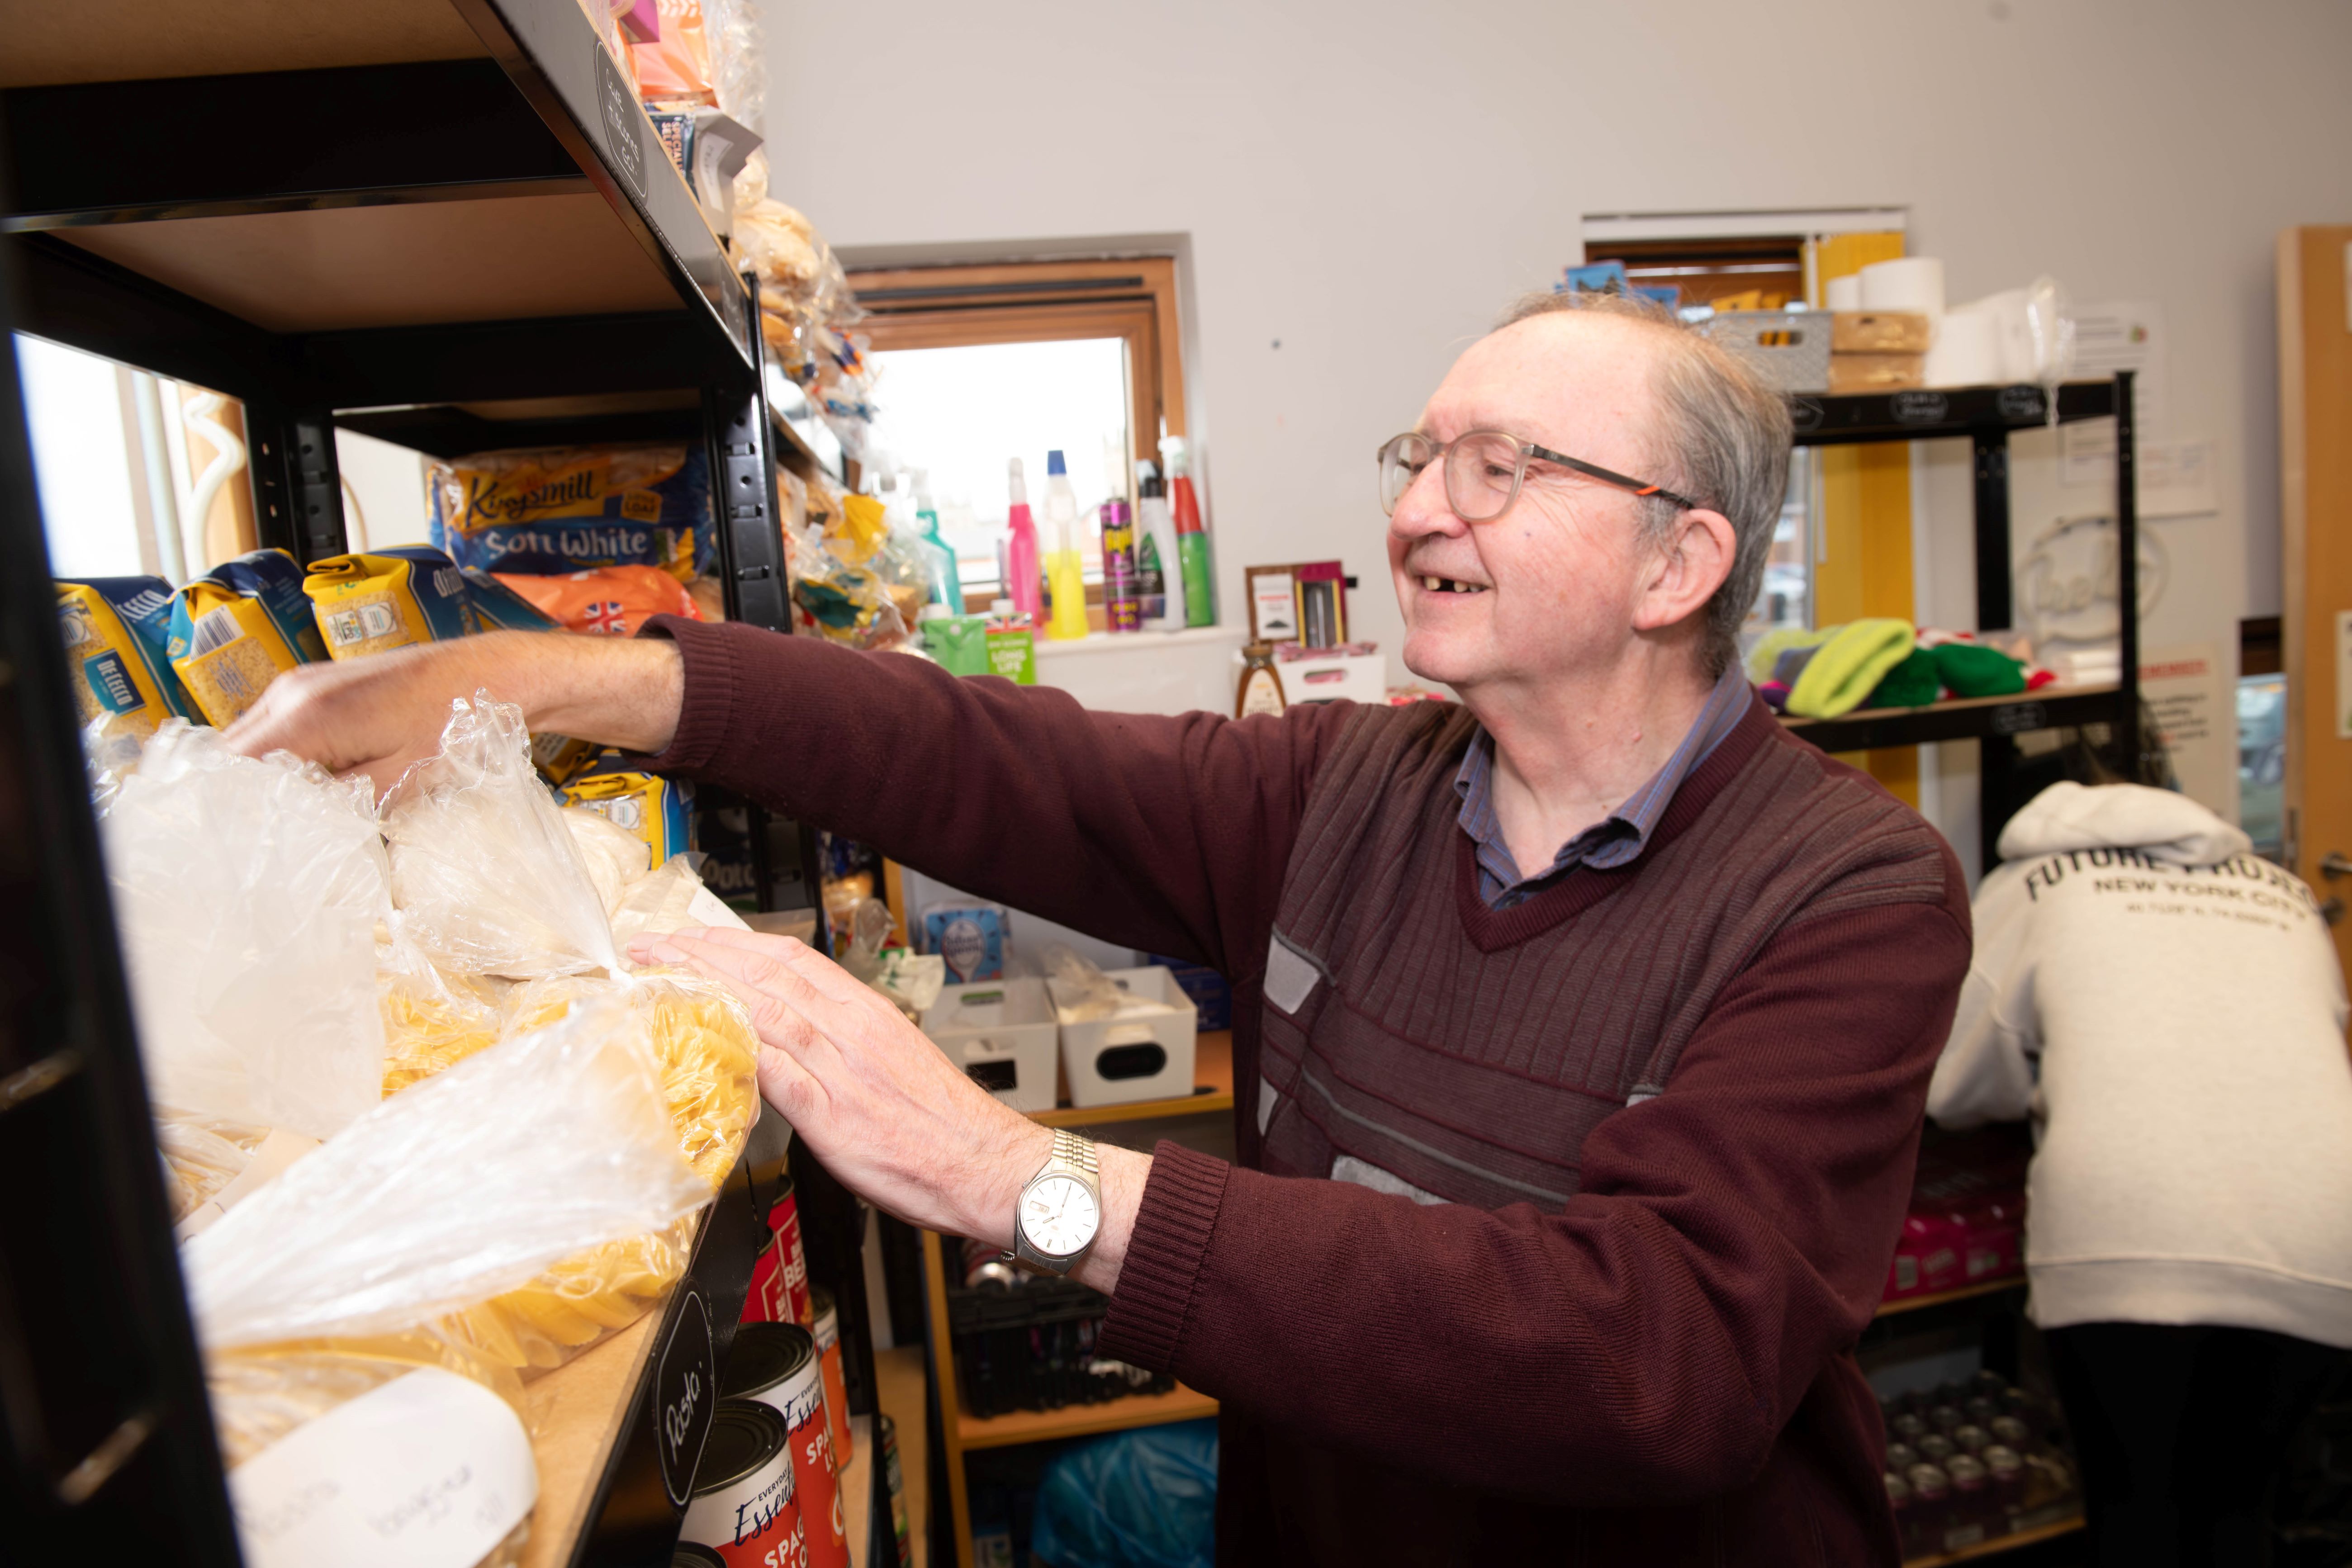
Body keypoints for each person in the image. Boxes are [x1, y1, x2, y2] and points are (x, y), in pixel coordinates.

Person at [231, 292, 1970, 1564]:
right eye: (1422, 454)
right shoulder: (1346, 788)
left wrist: (1015, 1174)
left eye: (1502, 466)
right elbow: (995, 762)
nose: (1420, 508)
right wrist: (556, 678)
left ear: (1678, 566)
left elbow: (1653, 1350)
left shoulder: (1850, 894)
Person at [1929, 779, 2352, 1568]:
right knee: (2241, 1514)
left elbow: (1953, 1080)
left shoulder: (2034, 884)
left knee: (2136, 1518)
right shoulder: (2285, 891)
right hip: (2320, 1236)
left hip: (2128, 1235)